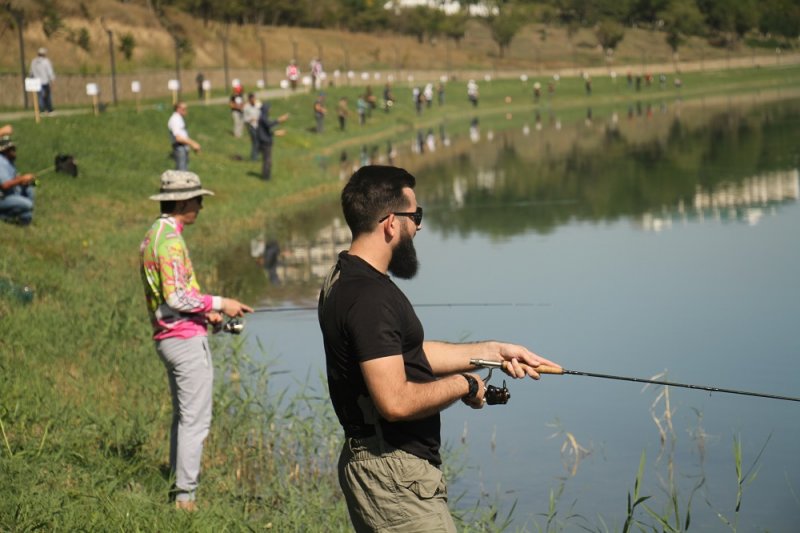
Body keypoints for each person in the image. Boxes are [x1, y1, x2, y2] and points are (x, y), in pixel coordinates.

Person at [317, 165, 560, 532]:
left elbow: (401, 356)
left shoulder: (344, 278)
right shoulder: (369, 299)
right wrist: (465, 384)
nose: (419, 227)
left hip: (385, 470)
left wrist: (494, 352)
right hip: (394, 479)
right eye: (415, 216)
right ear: (390, 223)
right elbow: (395, 400)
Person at [140, 170, 253, 511]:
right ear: (184, 201)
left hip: (169, 334)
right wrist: (221, 304)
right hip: (184, 342)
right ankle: (185, 499)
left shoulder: (153, 234)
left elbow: (175, 297)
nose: (201, 206)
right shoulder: (170, 241)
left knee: (183, 416)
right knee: (196, 420)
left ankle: (179, 484)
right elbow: (176, 297)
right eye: (198, 199)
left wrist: (205, 314)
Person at [0, 135, 36, 226]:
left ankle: (19, 215)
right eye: (12, 149)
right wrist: (21, 179)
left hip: (11, 194)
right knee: (28, 205)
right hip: (3, 197)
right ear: (5, 150)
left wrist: (27, 181)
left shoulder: (9, 162)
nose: (14, 151)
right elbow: (4, 185)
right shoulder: (1, 163)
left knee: (27, 215)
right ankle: (3, 215)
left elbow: (14, 179)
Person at [256, 102, 289, 181]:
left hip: (266, 141)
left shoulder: (263, 117)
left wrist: (277, 133)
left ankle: (266, 176)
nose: (270, 110)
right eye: (269, 108)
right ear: (266, 109)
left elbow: (266, 131)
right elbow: (269, 124)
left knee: (268, 160)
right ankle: (265, 178)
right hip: (265, 143)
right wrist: (280, 119)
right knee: (267, 161)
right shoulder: (263, 117)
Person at [167, 102, 201, 171]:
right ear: (178, 109)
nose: (186, 111)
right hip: (179, 148)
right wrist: (193, 143)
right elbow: (178, 138)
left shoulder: (179, 118)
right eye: (184, 109)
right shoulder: (175, 120)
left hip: (183, 148)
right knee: (181, 173)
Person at [30, 47, 55, 113]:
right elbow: (49, 71)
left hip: (36, 82)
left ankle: (41, 109)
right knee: (47, 96)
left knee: (40, 96)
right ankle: (48, 109)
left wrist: (31, 80)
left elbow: (31, 72)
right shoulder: (46, 61)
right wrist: (52, 79)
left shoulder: (34, 61)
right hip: (45, 81)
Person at [243, 93, 262, 161]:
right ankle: (254, 158)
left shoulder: (257, 105)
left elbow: (262, 111)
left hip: (259, 126)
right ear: (249, 99)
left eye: (255, 98)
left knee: (260, 141)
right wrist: (251, 119)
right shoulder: (246, 107)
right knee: (255, 142)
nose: (254, 100)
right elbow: (245, 119)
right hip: (251, 126)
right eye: (253, 99)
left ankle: (256, 155)